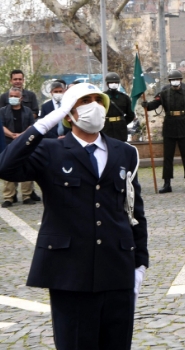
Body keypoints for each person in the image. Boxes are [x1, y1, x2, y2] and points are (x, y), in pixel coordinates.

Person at [0, 83, 149, 350]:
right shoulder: (49, 150)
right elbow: (6, 166)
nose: (94, 106)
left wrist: (140, 263)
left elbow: (133, 210)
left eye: (97, 100)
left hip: (117, 268)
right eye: (84, 101)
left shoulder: (124, 152)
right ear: (68, 114)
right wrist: (43, 125)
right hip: (69, 272)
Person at [142, 69, 185, 193]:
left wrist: (184, 118)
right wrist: (146, 105)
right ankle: (167, 183)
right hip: (169, 127)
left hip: (184, 127)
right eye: (172, 80)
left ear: (181, 80)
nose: (175, 81)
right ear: (169, 81)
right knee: (168, 157)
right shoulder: (164, 93)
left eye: (177, 79)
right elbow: (154, 104)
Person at [1, 88, 38, 207]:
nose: (12, 98)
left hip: (25, 142)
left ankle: (27, 195)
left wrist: (21, 136)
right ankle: (9, 197)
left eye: (15, 96)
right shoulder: (2, 111)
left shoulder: (27, 111)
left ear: (21, 98)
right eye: (11, 95)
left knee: (27, 166)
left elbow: (32, 126)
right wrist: (11, 135)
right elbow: (1, 125)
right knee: (8, 167)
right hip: (8, 142)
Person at [103, 72, 135, 142]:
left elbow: (131, 114)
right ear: (107, 84)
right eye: (111, 82)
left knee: (121, 148)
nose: (113, 84)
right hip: (106, 128)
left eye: (115, 82)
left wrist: (122, 122)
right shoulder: (102, 97)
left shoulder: (124, 98)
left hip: (120, 129)